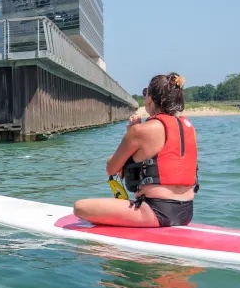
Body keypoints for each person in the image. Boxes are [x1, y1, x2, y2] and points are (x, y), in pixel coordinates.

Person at [73, 73, 198, 227]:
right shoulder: (189, 128)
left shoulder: (140, 131)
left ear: (150, 99)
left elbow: (112, 168)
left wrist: (131, 133)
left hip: (155, 211)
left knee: (80, 207)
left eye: (146, 93)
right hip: (186, 212)